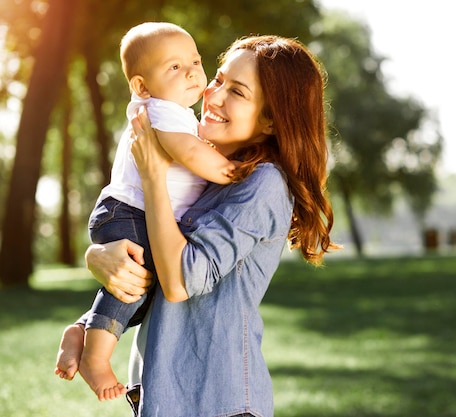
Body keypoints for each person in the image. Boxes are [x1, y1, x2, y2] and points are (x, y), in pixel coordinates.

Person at [55, 34, 340, 416]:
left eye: (236, 91)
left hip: (215, 400)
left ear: (272, 119)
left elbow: (178, 281)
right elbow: (152, 260)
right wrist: (99, 256)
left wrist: (153, 176)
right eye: (218, 79)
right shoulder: (197, 174)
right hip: (162, 396)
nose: (212, 93)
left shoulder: (263, 182)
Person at [54, 22, 238, 401]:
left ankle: (84, 329)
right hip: (130, 212)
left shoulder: (177, 113)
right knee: (137, 281)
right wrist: (234, 172)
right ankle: (96, 359)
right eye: (174, 67)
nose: (190, 72)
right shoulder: (160, 111)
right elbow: (188, 153)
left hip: (128, 211)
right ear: (142, 85)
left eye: (194, 61)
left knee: (142, 289)